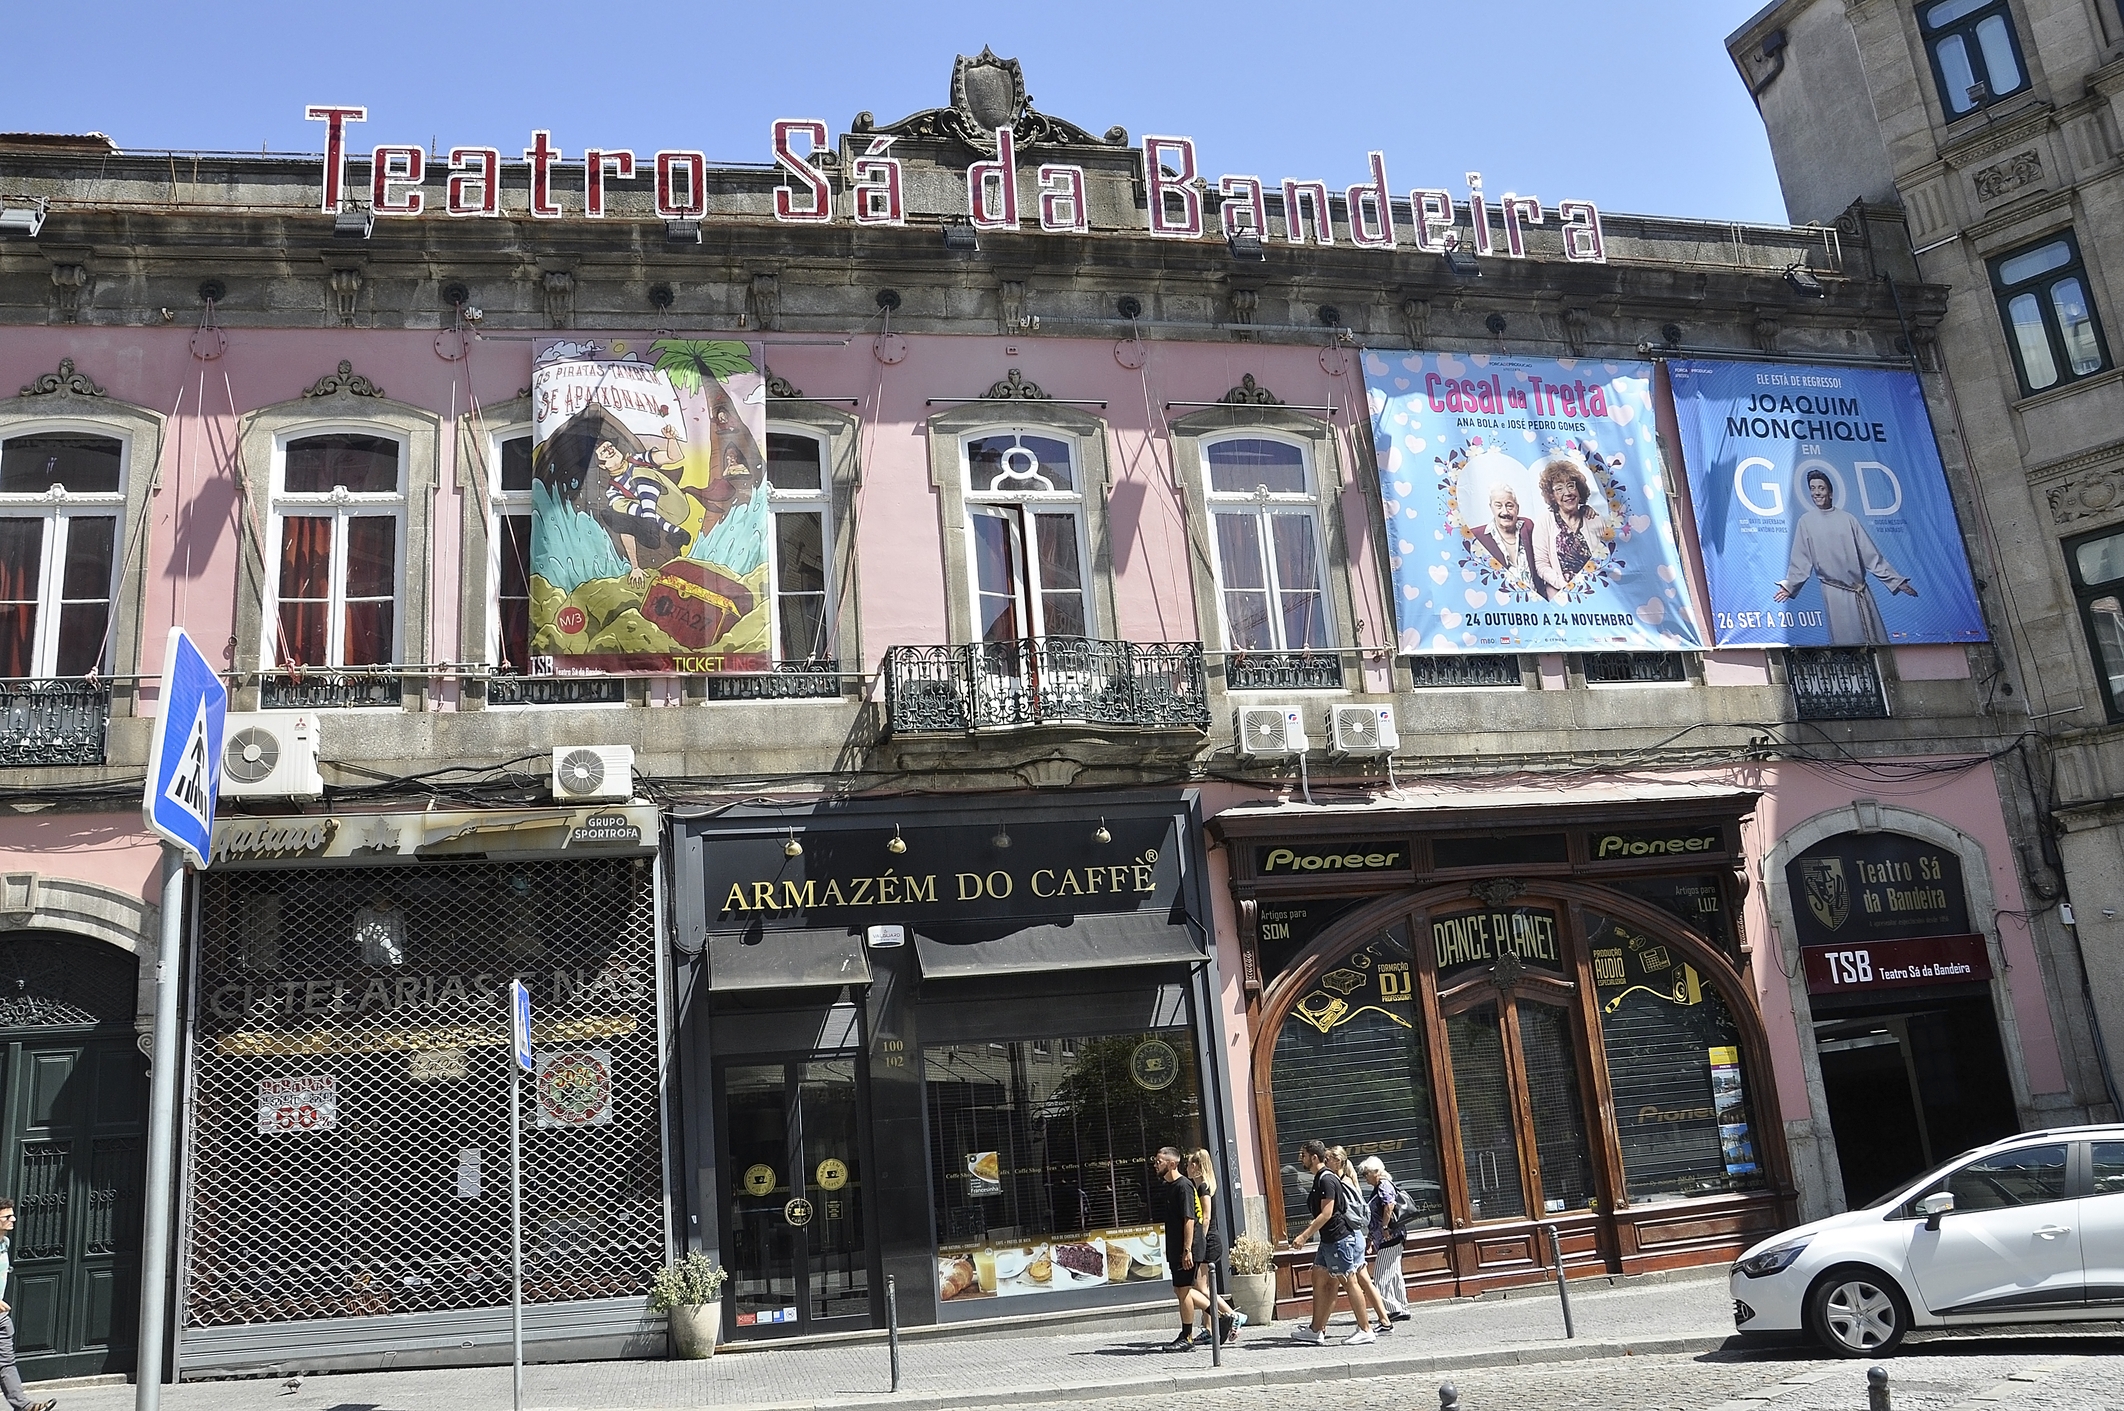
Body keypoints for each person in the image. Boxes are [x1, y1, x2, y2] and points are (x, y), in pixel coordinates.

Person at [1773, 468, 1917, 645]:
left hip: (1860, 589)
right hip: (1834, 592)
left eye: (1821, 488)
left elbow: (1871, 555)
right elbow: (1801, 560)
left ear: (1831, 493)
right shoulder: (1806, 521)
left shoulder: (1848, 519)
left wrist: (1896, 580)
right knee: (1847, 640)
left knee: (1875, 640)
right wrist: (1790, 585)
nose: (1816, 492)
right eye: (1812, 488)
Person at [1278, 1139, 1378, 1346]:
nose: (1300, 1158)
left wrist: (1303, 1235)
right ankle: (1316, 1330)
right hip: (1328, 1241)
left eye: (1303, 1155)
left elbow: (1327, 1213)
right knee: (1321, 1278)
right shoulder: (1320, 1178)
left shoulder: (1326, 1180)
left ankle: (1365, 1329)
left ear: (1314, 1157)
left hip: (1339, 1238)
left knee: (1349, 1280)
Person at [1327, 1146, 1391, 1336]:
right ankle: (1384, 1320)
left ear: (1338, 1161)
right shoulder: (1348, 1180)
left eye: (1329, 1159)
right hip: (1356, 1235)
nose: (1326, 1163)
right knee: (1364, 1281)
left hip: (1350, 1235)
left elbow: (1346, 1212)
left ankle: (1364, 1327)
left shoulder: (1342, 1183)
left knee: (1350, 1283)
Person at [1531, 454, 1614, 600]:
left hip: (1597, 596)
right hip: (1561, 598)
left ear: (1579, 490)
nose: (1567, 493)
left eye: (1571, 486)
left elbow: (1607, 558)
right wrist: (1565, 586)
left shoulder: (1594, 519)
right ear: (1551, 496)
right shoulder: (1544, 521)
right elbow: (1541, 564)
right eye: (1559, 489)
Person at [1184, 1148, 1244, 1345]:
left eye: (1188, 1164)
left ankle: (1231, 1315)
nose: (1186, 1168)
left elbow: (1206, 1216)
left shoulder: (1203, 1187)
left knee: (1201, 1288)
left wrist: (1198, 1240)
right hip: (1210, 1240)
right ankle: (1210, 1329)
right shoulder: (1205, 1184)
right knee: (1206, 1286)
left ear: (1196, 1166)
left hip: (1208, 1241)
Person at [0, 1200, 55, 1411]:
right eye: (7, 1217)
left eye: (12, 1215)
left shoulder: (5, 1243)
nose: (13, 1219)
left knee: (6, 1363)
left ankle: (24, 1406)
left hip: (1, 1317)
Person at [1151, 1147, 1207, 1351]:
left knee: (1183, 1291)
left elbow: (1189, 1220)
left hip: (1187, 1249)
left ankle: (1187, 1337)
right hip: (1178, 1248)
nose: (1155, 1164)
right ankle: (1222, 1316)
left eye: (1159, 1161)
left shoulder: (1183, 1186)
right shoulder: (1170, 1186)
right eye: (1155, 1161)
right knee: (1181, 1289)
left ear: (1172, 1164)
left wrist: (1187, 1250)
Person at [1466, 481, 1550, 599]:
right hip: (1503, 611)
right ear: (1491, 507)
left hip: (1536, 607)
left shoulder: (1528, 527)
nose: (1505, 512)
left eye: (1509, 505)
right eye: (1498, 505)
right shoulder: (1477, 536)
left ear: (1517, 508)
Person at [1356, 1156, 1412, 1322]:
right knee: (1394, 1274)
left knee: (1380, 1277)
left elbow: (1389, 1205)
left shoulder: (1383, 1185)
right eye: (1364, 1174)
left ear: (1377, 1172)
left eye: (1367, 1173)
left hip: (1390, 1237)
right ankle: (1402, 1307)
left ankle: (1393, 1309)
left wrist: (1385, 1227)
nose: (1365, 1177)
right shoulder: (1381, 1186)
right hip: (1392, 1237)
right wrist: (1371, 1237)